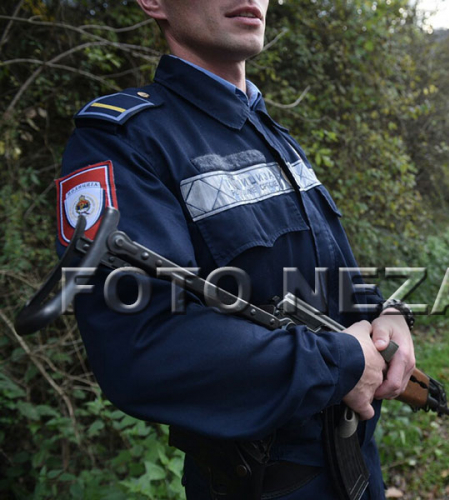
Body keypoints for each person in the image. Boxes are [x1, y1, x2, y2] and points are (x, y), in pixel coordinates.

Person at [54, 1, 415, 498]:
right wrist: (337, 363)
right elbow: (142, 347)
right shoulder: (125, 141)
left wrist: (386, 311)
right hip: (262, 482)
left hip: (354, 466)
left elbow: (323, 278)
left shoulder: (273, 135)